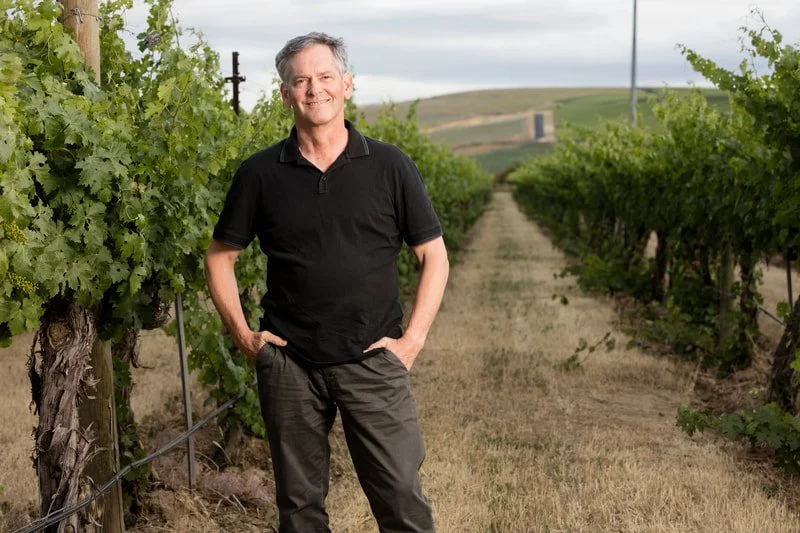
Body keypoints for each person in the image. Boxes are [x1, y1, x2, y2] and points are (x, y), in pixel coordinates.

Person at [204, 32, 449, 533]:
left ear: (347, 85)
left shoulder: (390, 166)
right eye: (300, 81)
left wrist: (413, 341)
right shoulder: (259, 174)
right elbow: (220, 257)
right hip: (290, 365)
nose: (314, 90)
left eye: (325, 77)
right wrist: (245, 337)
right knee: (299, 509)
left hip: (374, 360)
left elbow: (434, 256)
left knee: (402, 499)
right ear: (285, 95)